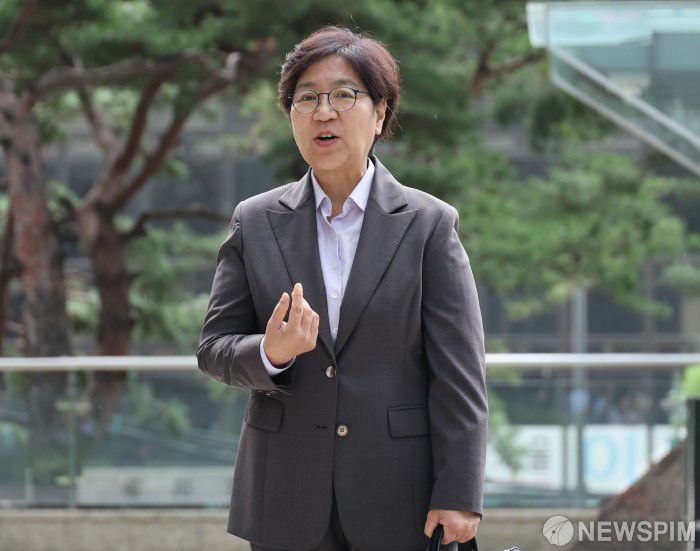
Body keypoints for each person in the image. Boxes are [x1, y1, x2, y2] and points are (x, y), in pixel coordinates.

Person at [196, 24, 488, 551]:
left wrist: (460, 493)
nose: (323, 112)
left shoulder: (428, 224)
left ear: (379, 113)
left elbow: (459, 374)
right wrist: (270, 353)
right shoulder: (254, 221)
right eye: (306, 98)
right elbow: (213, 348)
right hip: (285, 494)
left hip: (399, 495)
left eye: (344, 95)